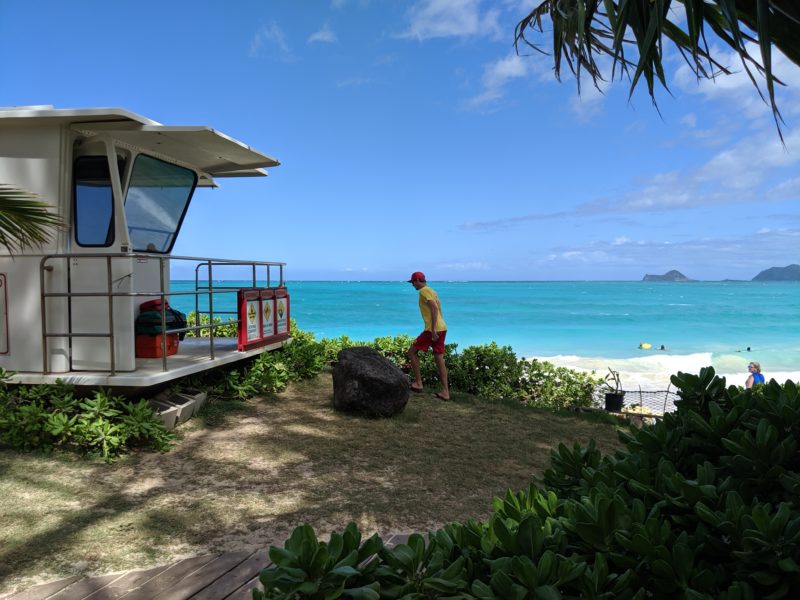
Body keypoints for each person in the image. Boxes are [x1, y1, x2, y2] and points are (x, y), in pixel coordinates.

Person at [407, 271, 449, 400]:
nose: (413, 285)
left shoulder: (423, 291)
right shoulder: (432, 290)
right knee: (439, 360)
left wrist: (433, 330)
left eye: (413, 282)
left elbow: (434, 308)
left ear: (418, 280)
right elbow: (438, 307)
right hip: (442, 328)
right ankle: (445, 392)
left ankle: (419, 383)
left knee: (412, 352)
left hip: (433, 330)